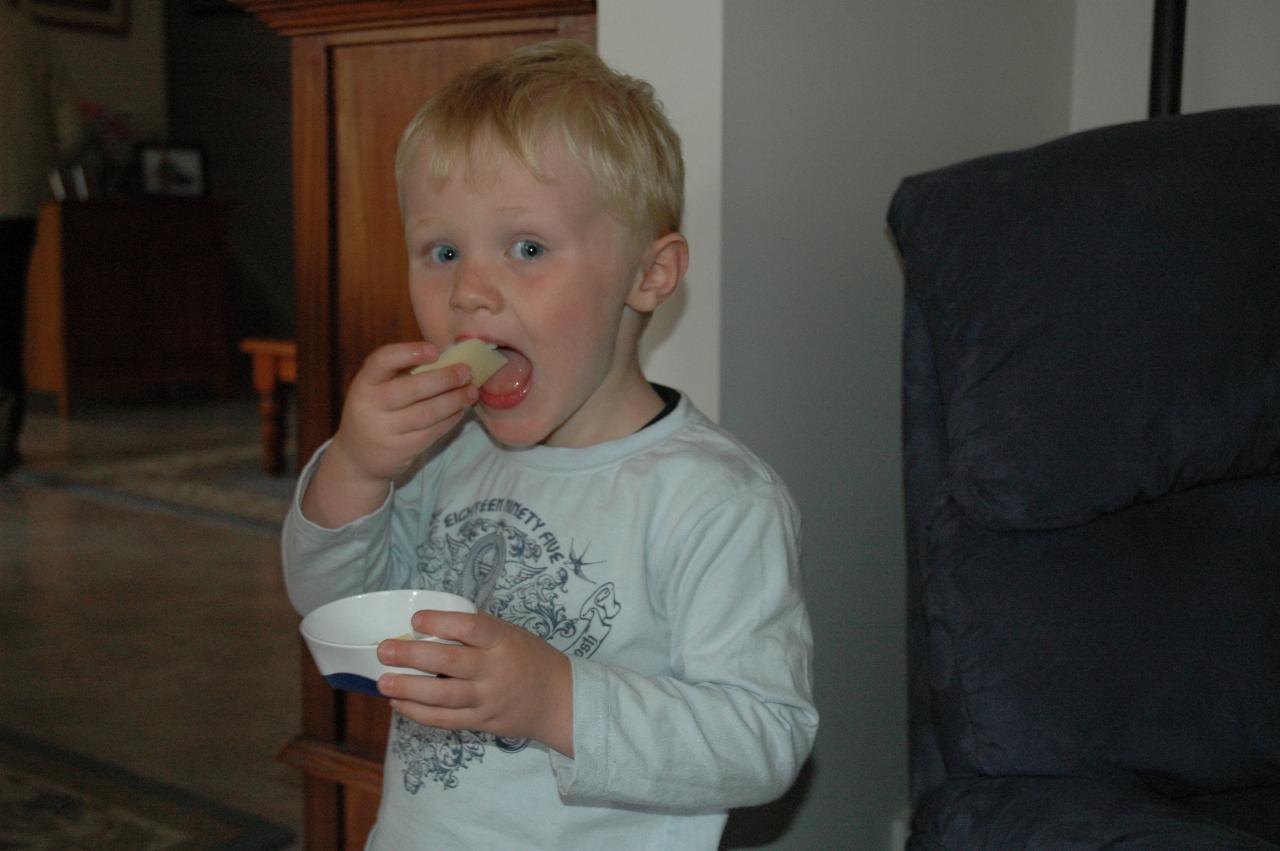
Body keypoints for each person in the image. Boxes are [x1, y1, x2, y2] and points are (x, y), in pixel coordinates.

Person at [282, 39, 817, 849]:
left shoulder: (713, 498)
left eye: (526, 248)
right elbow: (334, 612)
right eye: (442, 251)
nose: (468, 290)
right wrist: (355, 469)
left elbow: (766, 738)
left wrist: (557, 699)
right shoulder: (444, 451)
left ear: (650, 274)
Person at [0, 1, 76, 475]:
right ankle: (4, 438)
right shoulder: (31, 33)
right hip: (15, 200)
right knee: (8, 316)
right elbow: (73, 130)